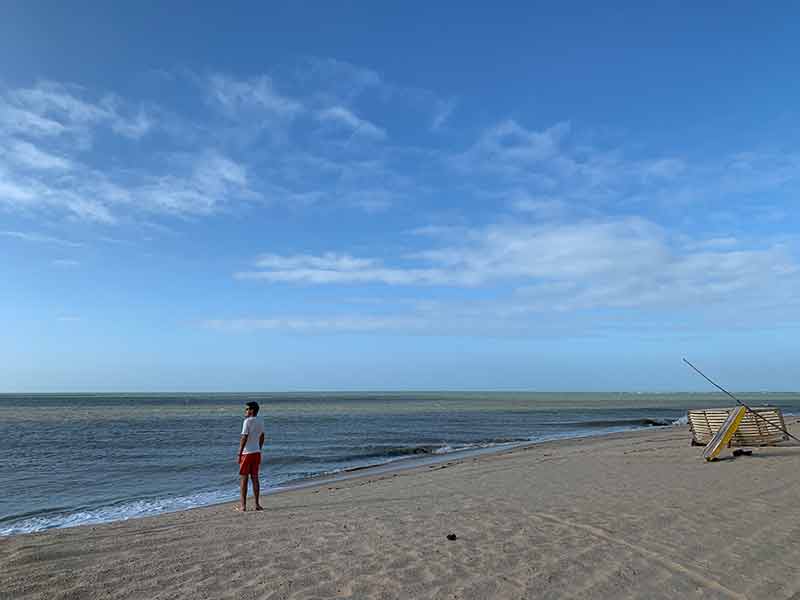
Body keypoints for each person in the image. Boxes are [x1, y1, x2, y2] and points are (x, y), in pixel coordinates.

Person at [237, 401, 265, 511]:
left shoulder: (247, 421)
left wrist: (239, 452)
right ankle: (257, 504)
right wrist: (259, 448)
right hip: (256, 452)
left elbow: (244, 437)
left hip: (247, 453)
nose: (245, 411)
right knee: (255, 478)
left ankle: (243, 506)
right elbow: (262, 436)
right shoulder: (260, 421)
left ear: (252, 410)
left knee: (244, 479)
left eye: (247, 409)